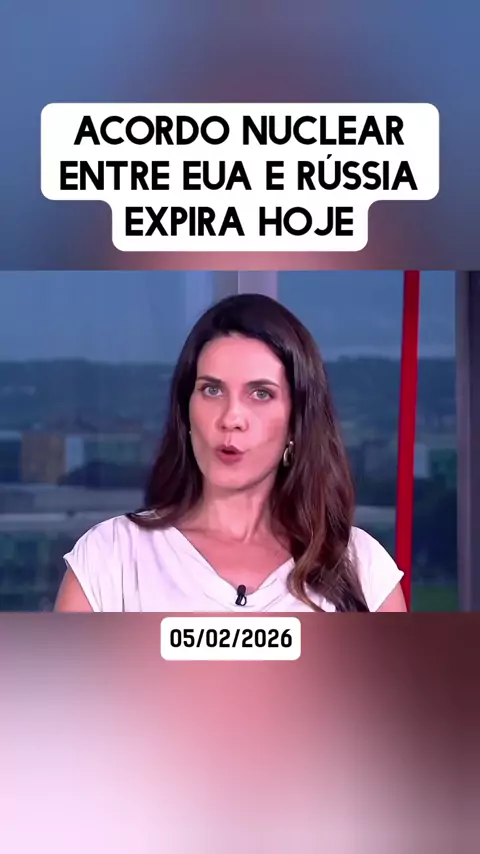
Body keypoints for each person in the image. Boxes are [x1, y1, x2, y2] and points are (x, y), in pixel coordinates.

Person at [55, 293, 406, 613]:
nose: (231, 418)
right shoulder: (110, 557)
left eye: (261, 394)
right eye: (212, 390)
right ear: (186, 410)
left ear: (296, 423)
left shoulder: (361, 566)